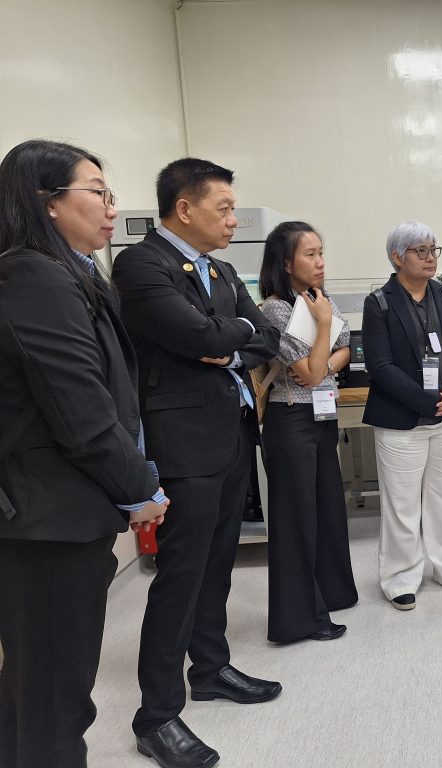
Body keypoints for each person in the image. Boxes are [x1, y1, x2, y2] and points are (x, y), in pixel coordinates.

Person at [0, 140, 168, 768]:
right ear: (47, 202)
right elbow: (80, 412)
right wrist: (140, 490)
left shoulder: (70, 272)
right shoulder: (33, 276)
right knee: (53, 698)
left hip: (63, 515)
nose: (111, 207)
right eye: (97, 192)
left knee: (37, 690)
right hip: (48, 523)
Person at [112, 158, 281, 768]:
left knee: (217, 563)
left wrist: (228, 342)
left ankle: (210, 668)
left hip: (231, 432)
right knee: (180, 574)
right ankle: (156, 715)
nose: (234, 220)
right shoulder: (141, 265)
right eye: (224, 209)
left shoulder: (224, 269)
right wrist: (229, 334)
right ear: (184, 209)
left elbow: (265, 338)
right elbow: (203, 337)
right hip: (182, 442)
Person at [361, 220, 442, 611]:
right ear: (397, 257)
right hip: (402, 420)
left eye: (433, 250)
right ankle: (400, 577)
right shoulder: (379, 302)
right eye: (420, 251)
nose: (430, 258)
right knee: (402, 504)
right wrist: (426, 402)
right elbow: (380, 366)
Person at [257, 221, 357, 643]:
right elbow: (310, 372)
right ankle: (298, 620)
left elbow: (345, 349)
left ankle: (331, 594)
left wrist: (324, 362)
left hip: (321, 418)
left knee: (327, 509)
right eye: (310, 254)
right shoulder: (276, 309)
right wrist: (323, 332)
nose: (320, 263)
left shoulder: (319, 299)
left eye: (321, 253)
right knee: (296, 520)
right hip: (291, 420)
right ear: (286, 263)